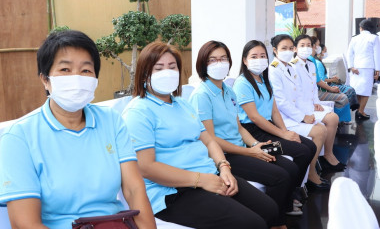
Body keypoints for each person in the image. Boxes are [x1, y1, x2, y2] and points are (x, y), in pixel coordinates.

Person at [0, 30, 156, 229]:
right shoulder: (18, 137)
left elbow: (134, 189)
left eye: (86, 71)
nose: (77, 78)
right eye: (65, 70)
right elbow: (25, 224)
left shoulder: (112, 121)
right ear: (45, 79)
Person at [122, 42, 278, 229]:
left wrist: (224, 168)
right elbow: (146, 167)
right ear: (145, 73)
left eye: (172, 67)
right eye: (159, 68)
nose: (167, 72)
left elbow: (209, 141)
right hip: (173, 192)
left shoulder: (182, 104)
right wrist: (200, 180)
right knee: (252, 224)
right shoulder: (138, 111)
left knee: (270, 209)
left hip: (208, 175)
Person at [189, 40, 301, 227]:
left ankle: (277, 216)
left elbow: (239, 127)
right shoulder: (202, 95)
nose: (219, 63)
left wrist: (255, 145)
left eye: (223, 58)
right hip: (225, 155)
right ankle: (275, 222)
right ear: (203, 64)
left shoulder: (228, 91)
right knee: (280, 176)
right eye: (213, 60)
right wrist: (251, 152)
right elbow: (210, 140)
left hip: (242, 148)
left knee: (291, 168)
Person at [232, 40, 317, 193]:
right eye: (254, 56)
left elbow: (275, 112)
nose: (259, 60)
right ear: (245, 60)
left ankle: (293, 189)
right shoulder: (242, 83)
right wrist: (283, 134)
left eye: (262, 56)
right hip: (254, 133)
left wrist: (287, 133)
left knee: (310, 146)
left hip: (268, 128)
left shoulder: (265, 80)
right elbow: (255, 118)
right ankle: (290, 194)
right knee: (302, 151)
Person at [268, 34, 331, 190]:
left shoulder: (289, 67)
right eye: (284, 48)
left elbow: (298, 95)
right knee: (320, 131)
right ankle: (310, 174)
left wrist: (307, 114)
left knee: (322, 128)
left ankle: (311, 171)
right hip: (284, 119)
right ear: (275, 50)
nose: (288, 51)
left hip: (295, 114)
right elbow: (281, 102)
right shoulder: (273, 70)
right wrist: (302, 117)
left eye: (290, 48)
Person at [291, 34, 345, 173]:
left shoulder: (310, 64)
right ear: (295, 49)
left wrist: (316, 102)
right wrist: (306, 110)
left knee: (333, 117)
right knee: (331, 118)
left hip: (311, 104)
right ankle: (323, 158)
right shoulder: (292, 66)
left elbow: (314, 87)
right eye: (302, 45)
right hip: (301, 109)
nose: (306, 48)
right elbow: (295, 93)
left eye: (309, 45)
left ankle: (328, 153)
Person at [309, 36, 351, 123]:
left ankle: (337, 121)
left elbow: (318, 79)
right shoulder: (311, 61)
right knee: (343, 97)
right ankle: (338, 121)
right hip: (314, 93)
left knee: (347, 91)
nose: (318, 47)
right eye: (317, 45)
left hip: (315, 92)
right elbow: (320, 80)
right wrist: (331, 88)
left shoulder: (312, 60)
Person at [347, 19, 380, 120]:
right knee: (366, 91)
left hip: (356, 67)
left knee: (357, 90)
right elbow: (377, 54)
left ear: (361, 28)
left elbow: (349, 53)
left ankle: (359, 110)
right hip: (368, 67)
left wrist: (351, 67)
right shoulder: (374, 38)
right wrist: (377, 70)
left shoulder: (354, 38)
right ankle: (361, 111)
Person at [318, 41, 359, 111]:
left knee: (349, 89)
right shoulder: (318, 63)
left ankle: (352, 107)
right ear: (320, 52)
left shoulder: (320, 62)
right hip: (326, 87)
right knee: (349, 91)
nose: (326, 53)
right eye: (325, 51)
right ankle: (350, 108)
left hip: (329, 84)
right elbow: (322, 79)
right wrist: (332, 80)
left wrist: (332, 79)